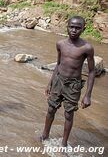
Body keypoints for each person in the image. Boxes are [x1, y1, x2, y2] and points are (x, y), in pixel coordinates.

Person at [41, 16, 95, 147]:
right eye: (71, 27)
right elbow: (58, 64)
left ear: (83, 29)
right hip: (58, 80)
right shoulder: (60, 44)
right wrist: (50, 83)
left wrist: (87, 95)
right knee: (51, 109)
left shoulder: (87, 48)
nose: (74, 30)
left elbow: (92, 71)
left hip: (73, 85)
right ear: (67, 26)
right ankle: (45, 135)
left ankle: (63, 143)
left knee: (69, 114)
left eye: (77, 28)